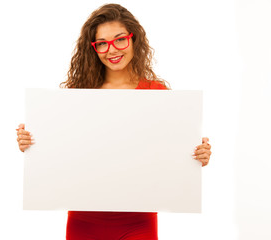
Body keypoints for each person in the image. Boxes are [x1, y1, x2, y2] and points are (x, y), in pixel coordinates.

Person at [16, 3, 212, 240]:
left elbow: (170, 156)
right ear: (94, 48)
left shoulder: (156, 93)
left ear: (134, 38)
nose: (112, 50)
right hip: (83, 220)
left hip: (139, 222)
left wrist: (197, 155)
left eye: (120, 39)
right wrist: (32, 143)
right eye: (102, 43)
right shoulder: (77, 95)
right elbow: (62, 152)